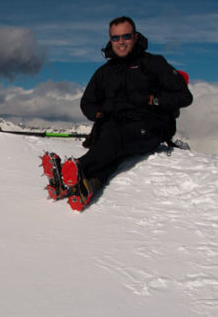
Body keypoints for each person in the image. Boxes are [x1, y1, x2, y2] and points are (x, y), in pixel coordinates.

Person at [42, 16, 193, 211]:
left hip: (150, 126)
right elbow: (87, 102)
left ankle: (71, 172)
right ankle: (87, 185)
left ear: (135, 37)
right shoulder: (105, 72)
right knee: (110, 146)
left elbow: (184, 97)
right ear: (110, 40)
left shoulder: (153, 64)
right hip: (114, 127)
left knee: (114, 140)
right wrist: (98, 114)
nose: (121, 42)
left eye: (126, 36)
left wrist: (155, 101)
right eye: (115, 38)